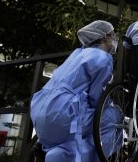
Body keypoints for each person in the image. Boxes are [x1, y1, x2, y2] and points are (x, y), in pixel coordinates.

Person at [30, 20, 123, 162]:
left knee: (82, 123)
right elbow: (96, 98)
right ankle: (70, 156)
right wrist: (111, 104)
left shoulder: (77, 54)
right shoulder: (104, 58)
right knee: (114, 117)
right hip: (64, 115)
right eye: (113, 35)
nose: (115, 39)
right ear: (106, 36)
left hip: (39, 112)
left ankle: (57, 151)